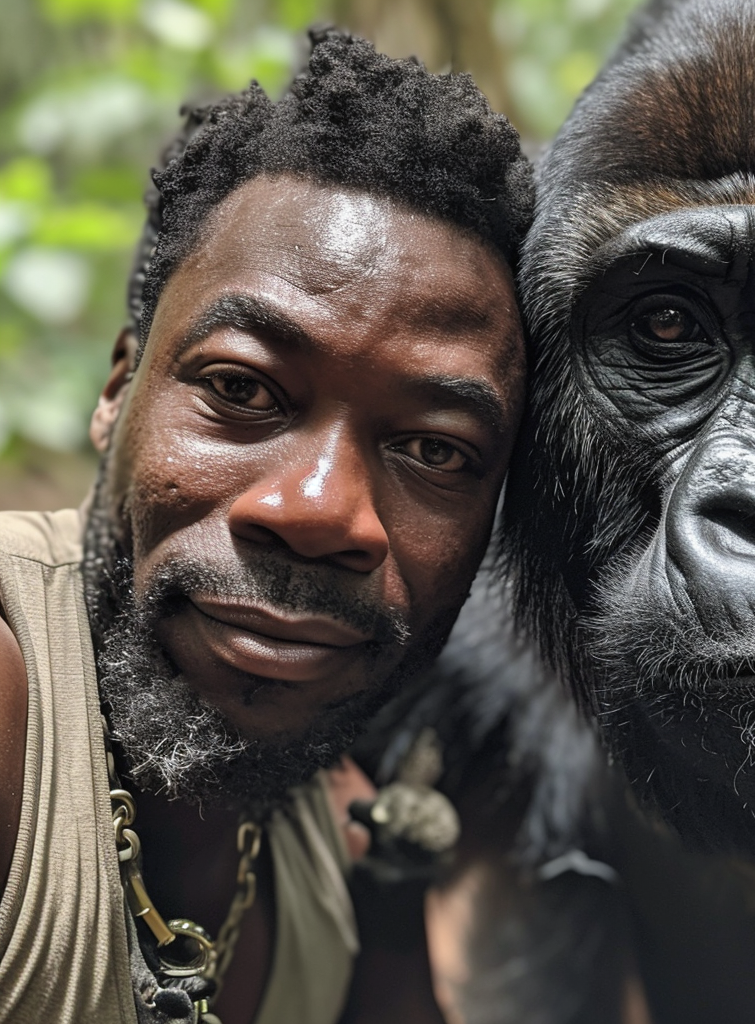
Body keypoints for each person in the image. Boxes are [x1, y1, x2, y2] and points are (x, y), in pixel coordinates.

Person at [0, 28, 531, 1024]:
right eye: (242, 388)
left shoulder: (338, 841)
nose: (320, 511)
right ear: (119, 388)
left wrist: (389, 900)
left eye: (434, 450)